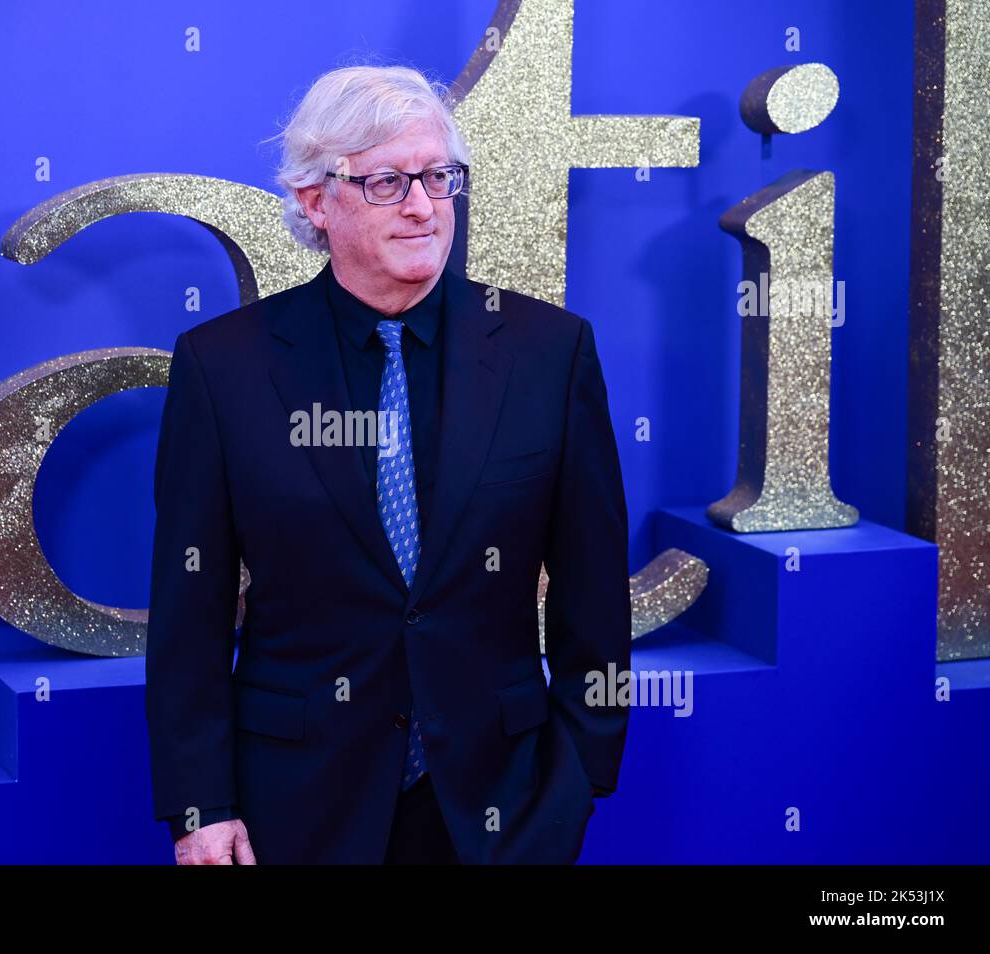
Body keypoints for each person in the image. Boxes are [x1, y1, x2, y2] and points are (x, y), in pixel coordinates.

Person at [145, 65, 631, 864]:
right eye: (385, 183)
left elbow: (593, 592)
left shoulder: (550, 353)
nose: (422, 206)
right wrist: (202, 803)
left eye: (439, 177)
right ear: (314, 201)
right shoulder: (222, 368)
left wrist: (577, 781)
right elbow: (189, 614)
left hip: (504, 806)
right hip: (295, 809)